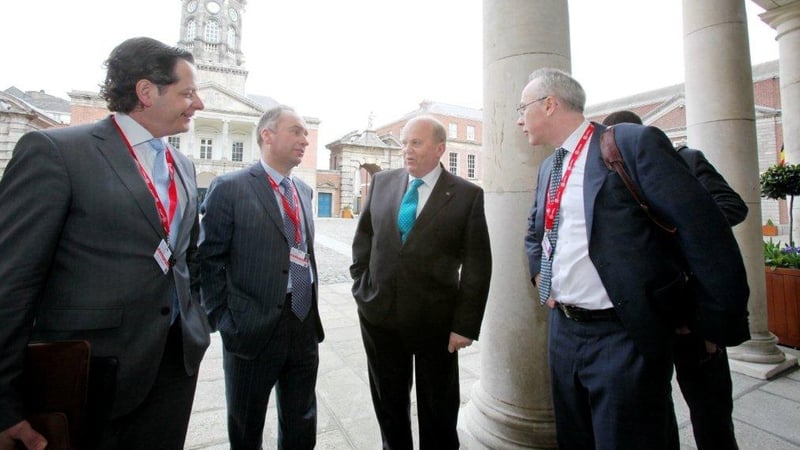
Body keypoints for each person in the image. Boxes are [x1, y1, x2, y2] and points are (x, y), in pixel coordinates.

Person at [520, 68, 750, 450]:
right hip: (563, 332)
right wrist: (542, 281)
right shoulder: (550, 167)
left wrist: (712, 323)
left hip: (622, 334)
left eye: (522, 107)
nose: (517, 118)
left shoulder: (630, 143)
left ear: (549, 104)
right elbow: (535, 234)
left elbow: (704, 231)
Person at [0, 37, 210, 450]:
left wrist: (197, 321)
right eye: (187, 93)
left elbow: (189, 258)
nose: (198, 103)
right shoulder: (57, 152)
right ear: (147, 92)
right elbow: (12, 280)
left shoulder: (183, 164)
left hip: (174, 365)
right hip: (94, 373)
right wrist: (4, 402)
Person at [602, 110, 746, 450]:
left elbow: (733, 206)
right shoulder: (610, 175)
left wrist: (681, 224)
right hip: (649, 315)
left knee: (711, 411)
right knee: (653, 411)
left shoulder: (687, 160)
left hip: (694, 311)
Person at [350, 115, 492, 449]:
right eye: (404, 142)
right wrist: (362, 287)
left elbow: (477, 264)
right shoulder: (383, 182)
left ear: (440, 148)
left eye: (416, 143)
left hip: (436, 323)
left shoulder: (466, 195)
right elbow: (364, 239)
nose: (406, 150)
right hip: (380, 316)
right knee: (389, 403)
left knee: (438, 409)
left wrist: (465, 325)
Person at [199, 105, 324, 450]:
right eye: (296, 131)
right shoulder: (230, 187)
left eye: (305, 133)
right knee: (246, 424)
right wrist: (224, 319)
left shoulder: (303, 190)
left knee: (302, 419)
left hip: (302, 322)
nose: (305, 139)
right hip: (251, 327)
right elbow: (207, 260)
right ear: (267, 135)